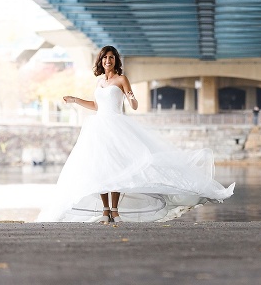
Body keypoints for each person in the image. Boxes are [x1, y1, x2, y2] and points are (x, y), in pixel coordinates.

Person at [37, 45, 235, 223]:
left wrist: (130, 96)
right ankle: (105, 210)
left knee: (117, 169)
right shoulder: (99, 82)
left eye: (111, 58)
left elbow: (133, 104)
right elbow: (97, 106)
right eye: (105, 57)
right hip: (98, 128)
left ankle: (115, 211)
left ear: (116, 61)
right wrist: (75, 100)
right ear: (101, 61)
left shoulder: (122, 79)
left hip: (116, 126)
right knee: (100, 170)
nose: (108, 61)